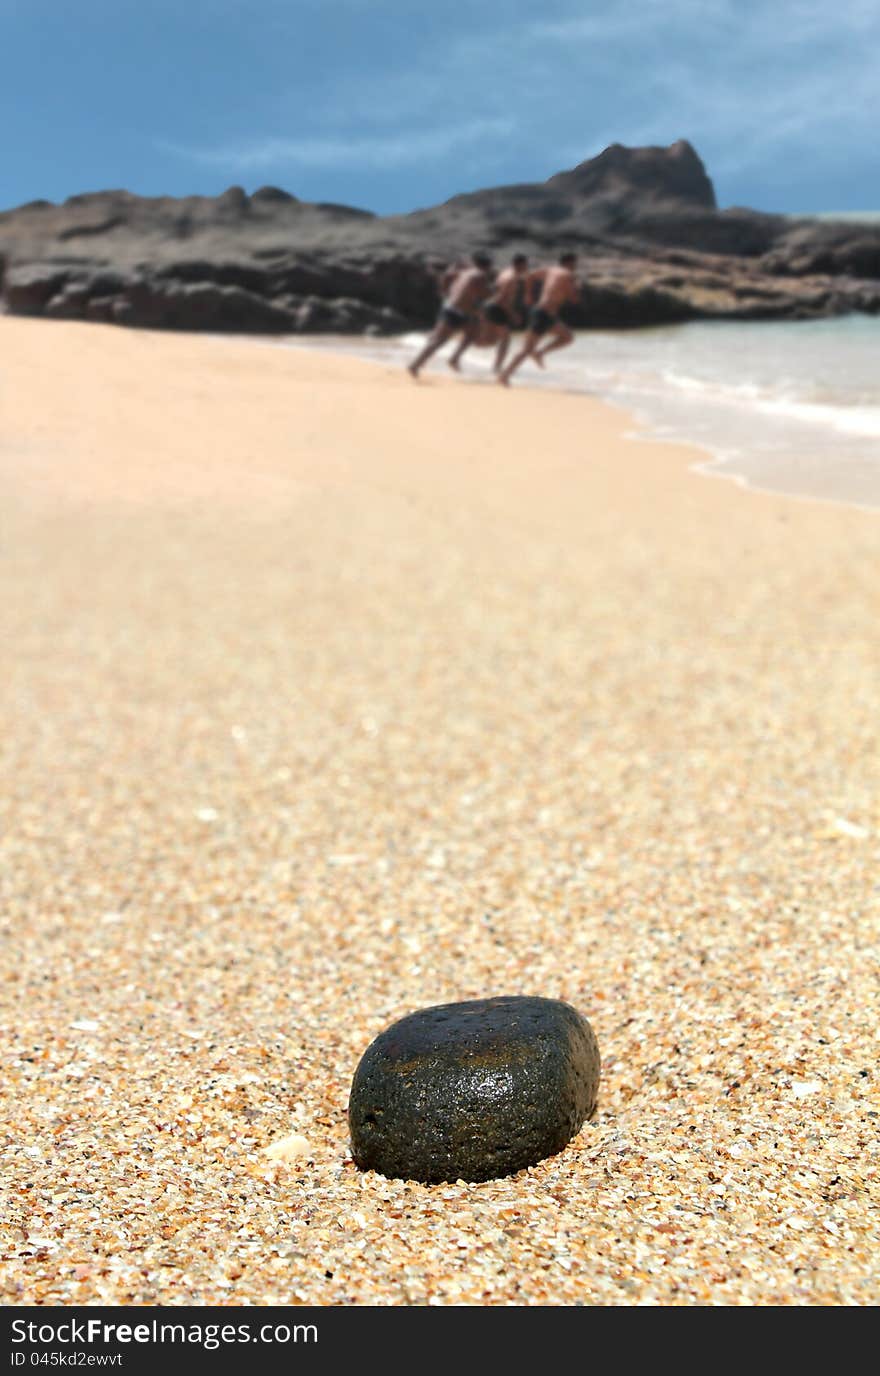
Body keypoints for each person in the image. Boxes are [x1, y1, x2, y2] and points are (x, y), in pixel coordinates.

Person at [498, 252, 580, 386]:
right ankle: (504, 375)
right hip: (542, 314)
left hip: (547, 315)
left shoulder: (551, 270)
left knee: (567, 337)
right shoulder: (568, 274)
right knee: (526, 349)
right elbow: (574, 299)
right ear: (569, 262)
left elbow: (530, 276)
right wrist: (576, 286)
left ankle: (540, 353)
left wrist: (528, 295)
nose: (575, 266)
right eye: (575, 263)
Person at [407, 253, 493, 378]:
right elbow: (486, 294)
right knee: (440, 340)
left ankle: (453, 358)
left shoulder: (466, 271)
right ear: (487, 266)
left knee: (472, 333)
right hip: (457, 311)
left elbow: (446, 276)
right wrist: (493, 290)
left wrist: (444, 292)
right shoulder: (480, 275)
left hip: (452, 307)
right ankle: (415, 364)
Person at [447, 253, 530, 374]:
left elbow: (496, 288)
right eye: (526, 265)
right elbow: (502, 298)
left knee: (487, 340)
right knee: (503, 340)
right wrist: (512, 314)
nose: (527, 267)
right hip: (497, 308)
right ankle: (497, 368)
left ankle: (455, 353)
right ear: (520, 264)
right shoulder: (511, 278)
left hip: (491, 307)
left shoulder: (506, 272)